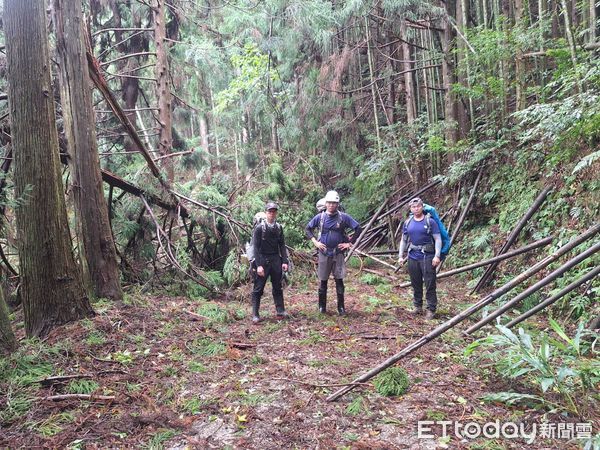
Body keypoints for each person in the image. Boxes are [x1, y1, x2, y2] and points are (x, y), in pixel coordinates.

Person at [305, 191, 361, 315]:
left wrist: (349, 243)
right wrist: (315, 242)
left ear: (337, 204)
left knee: (339, 279)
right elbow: (308, 229)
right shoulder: (320, 217)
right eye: (329, 203)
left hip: (338, 253)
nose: (331, 205)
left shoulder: (343, 217)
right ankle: (322, 307)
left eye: (334, 203)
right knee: (323, 280)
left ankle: (341, 307)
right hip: (324, 252)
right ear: (326, 203)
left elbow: (358, 228)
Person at [398, 197, 442, 319]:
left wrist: (437, 256)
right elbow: (404, 240)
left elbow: (438, 239)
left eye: (418, 206)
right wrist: (401, 256)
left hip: (427, 256)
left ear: (422, 207)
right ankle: (417, 306)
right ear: (410, 209)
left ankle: (431, 309)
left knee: (429, 282)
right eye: (413, 207)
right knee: (415, 282)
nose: (416, 208)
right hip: (412, 256)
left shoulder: (430, 221)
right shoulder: (408, 222)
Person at [251, 202, 289, 323]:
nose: (272, 214)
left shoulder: (278, 227)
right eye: (269, 211)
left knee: (277, 286)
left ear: (276, 213)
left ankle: (280, 310)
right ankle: (255, 314)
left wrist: (284, 261)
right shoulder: (259, 228)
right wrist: (258, 266)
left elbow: (282, 245)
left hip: (275, 259)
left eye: (274, 211)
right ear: (266, 213)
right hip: (262, 259)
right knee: (258, 288)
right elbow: (255, 248)